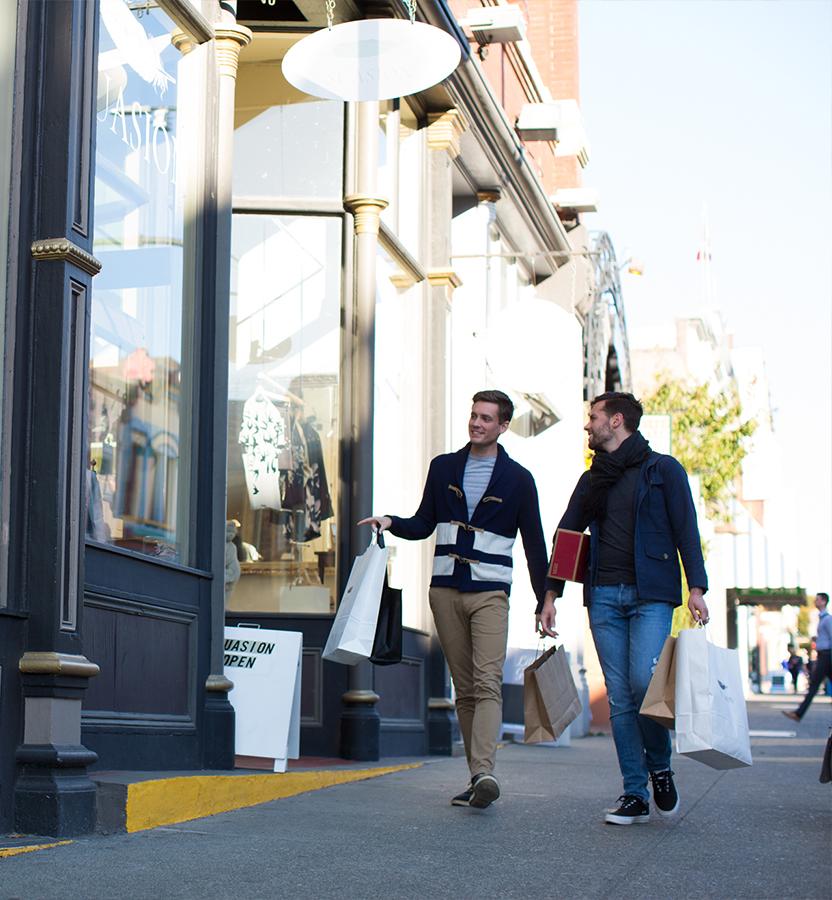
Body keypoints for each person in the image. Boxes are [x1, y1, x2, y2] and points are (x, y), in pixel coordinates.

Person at [359, 390, 548, 810]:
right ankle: (476, 775)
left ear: (503, 426)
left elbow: (535, 543)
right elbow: (425, 522)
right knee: (464, 689)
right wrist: (391, 522)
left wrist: (545, 597)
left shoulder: (519, 480)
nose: (476, 423)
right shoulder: (443, 467)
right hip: (444, 590)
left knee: (486, 682)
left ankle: (485, 771)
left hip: (490, 593)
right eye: (473, 416)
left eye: (486, 418)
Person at [539, 391, 709, 826]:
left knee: (641, 683)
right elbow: (567, 533)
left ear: (616, 421)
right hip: (604, 596)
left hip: (651, 594)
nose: (587, 425)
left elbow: (685, 528)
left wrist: (697, 587)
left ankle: (660, 766)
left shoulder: (663, 470)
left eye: (592, 417)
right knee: (619, 697)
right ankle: (634, 792)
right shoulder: (593, 479)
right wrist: (550, 594)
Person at [783, 592, 831, 722]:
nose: (815, 601)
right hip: (824, 655)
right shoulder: (822, 618)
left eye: (817, 600)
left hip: (827, 656)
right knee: (814, 685)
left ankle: (799, 714)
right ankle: (798, 714)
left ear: (823, 602)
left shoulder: (827, 619)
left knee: (814, 685)